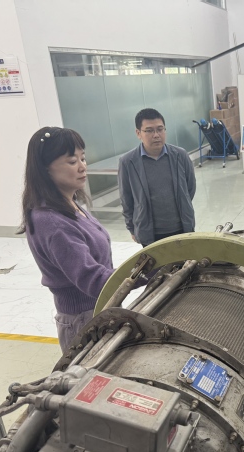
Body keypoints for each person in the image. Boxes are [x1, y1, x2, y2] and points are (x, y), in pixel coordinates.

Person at [19, 127, 114, 353]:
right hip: (84, 322)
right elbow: (93, 279)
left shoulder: (70, 205)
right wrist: (147, 270)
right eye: (72, 161)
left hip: (98, 310)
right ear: (45, 168)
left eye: (83, 158)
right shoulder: (53, 222)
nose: (82, 166)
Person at [118, 108, 196, 247]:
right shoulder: (128, 162)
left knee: (187, 261)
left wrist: (183, 206)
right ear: (138, 133)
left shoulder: (180, 155)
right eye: (149, 131)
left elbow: (190, 188)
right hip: (150, 234)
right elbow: (126, 199)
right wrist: (132, 228)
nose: (156, 135)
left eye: (160, 129)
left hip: (182, 228)